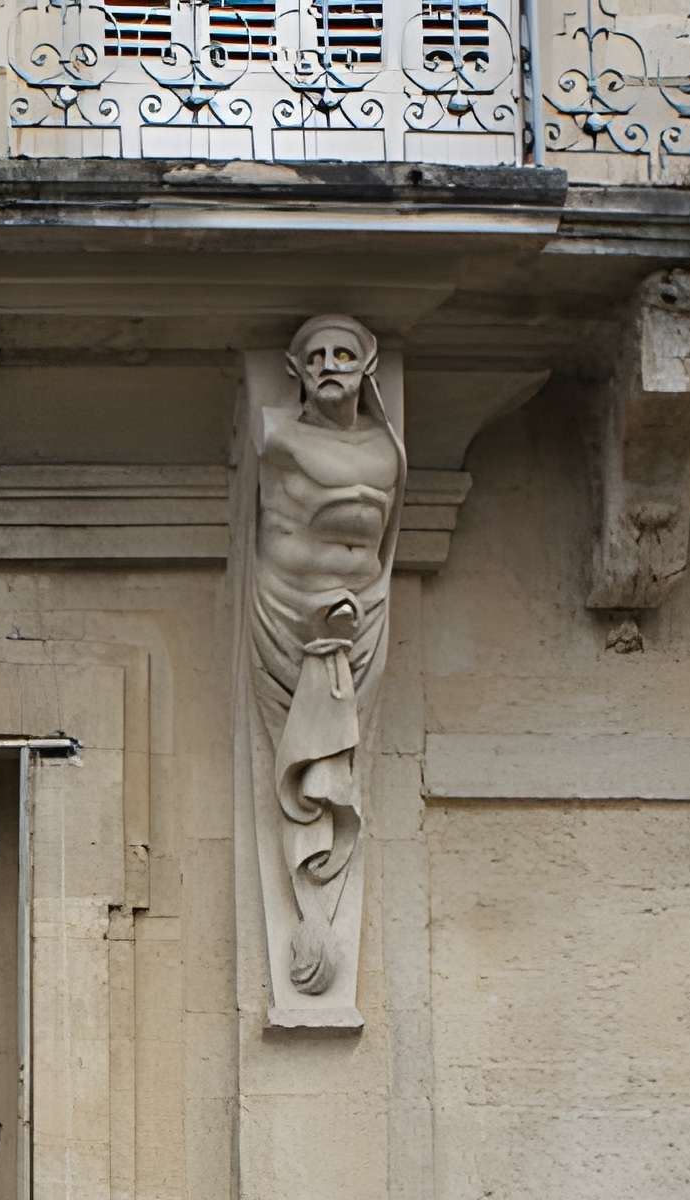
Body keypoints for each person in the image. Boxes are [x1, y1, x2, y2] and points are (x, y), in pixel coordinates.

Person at [249, 313, 404, 1001]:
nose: (328, 366)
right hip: (290, 614)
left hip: (362, 619)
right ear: (294, 370)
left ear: (368, 366)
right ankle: (308, 921)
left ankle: (322, 921)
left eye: (343, 353)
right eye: (314, 357)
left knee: (340, 765)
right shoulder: (278, 435)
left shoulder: (390, 447)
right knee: (300, 766)